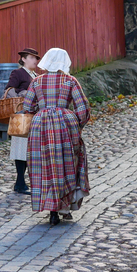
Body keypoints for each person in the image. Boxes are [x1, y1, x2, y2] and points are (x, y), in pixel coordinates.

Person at [22, 48, 91, 226]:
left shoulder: (36, 82)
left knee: (44, 165)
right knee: (66, 163)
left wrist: (41, 113)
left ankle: (51, 208)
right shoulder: (70, 81)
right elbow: (82, 109)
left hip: (41, 127)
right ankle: (64, 207)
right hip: (65, 125)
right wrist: (76, 125)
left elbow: (27, 107)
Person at [3, 47, 41, 194]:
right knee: (20, 148)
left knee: (28, 149)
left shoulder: (36, 75)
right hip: (20, 115)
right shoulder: (18, 73)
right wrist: (25, 95)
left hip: (32, 115)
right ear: (23, 59)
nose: (35, 60)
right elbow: (9, 90)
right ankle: (19, 183)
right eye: (31, 58)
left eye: (36, 58)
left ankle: (22, 183)